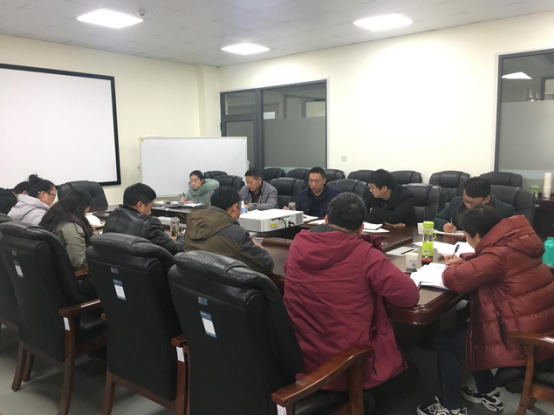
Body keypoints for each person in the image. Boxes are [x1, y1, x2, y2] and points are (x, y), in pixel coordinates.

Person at [284, 193, 420, 415]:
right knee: (412, 376)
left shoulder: (298, 244)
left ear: (326, 219)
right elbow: (409, 296)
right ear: (361, 229)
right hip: (347, 364)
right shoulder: (365, 254)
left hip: (300, 358)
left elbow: (289, 271)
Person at [417, 206, 554, 416]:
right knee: (471, 329)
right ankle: (487, 391)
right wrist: (468, 259)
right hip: (538, 331)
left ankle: (450, 408)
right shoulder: (518, 243)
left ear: (479, 236)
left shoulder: (497, 257)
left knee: (446, 341)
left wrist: (455, 267)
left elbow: (453, 279)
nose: (467, 239)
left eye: (467, 236)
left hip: (526, 344)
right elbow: (493, 261)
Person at [185, 186, 274, 277]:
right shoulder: (236, 234)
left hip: (195, 281)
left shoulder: (192, 222)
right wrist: (260, 249)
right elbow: (266, 265)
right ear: (234, 207)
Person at [104, 183, 185, 255]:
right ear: (140, 205)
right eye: (150, 207)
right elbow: (177, 249)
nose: (150, 212)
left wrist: (165, 239)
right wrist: (182, 236)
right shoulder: (149, 224)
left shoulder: (112, 217)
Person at [434, 177, 514, 233]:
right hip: (458, 245)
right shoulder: (456, 202)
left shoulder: (505, 211)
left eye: (473, 203)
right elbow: (437, 219)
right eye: (465, 200)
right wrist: (444, 225)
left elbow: (508, 237)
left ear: (487, 199)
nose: (468, 206)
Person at [40, 189, 93, 271]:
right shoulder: (71, 227)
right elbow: (80, 263)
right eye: (86, 212)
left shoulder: (52, 216)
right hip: (72, 274)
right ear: (81, 209)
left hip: (51, 270)